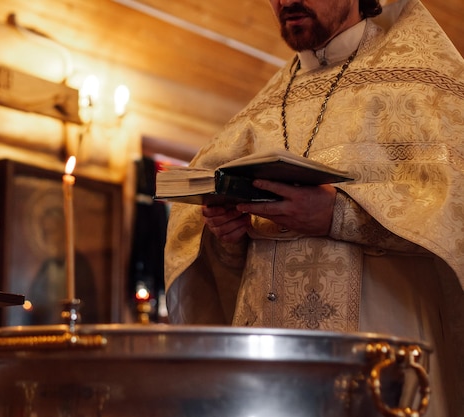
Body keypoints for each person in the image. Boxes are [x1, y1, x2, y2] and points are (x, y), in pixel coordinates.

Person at [164, 0, 464, 415]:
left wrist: (338, 216)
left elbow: (455, 216)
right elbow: (226, 270)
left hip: (380, 354)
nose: (286, 1)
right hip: (267, 370)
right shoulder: (259, 112)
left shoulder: (425, 85)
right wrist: (226, 238)